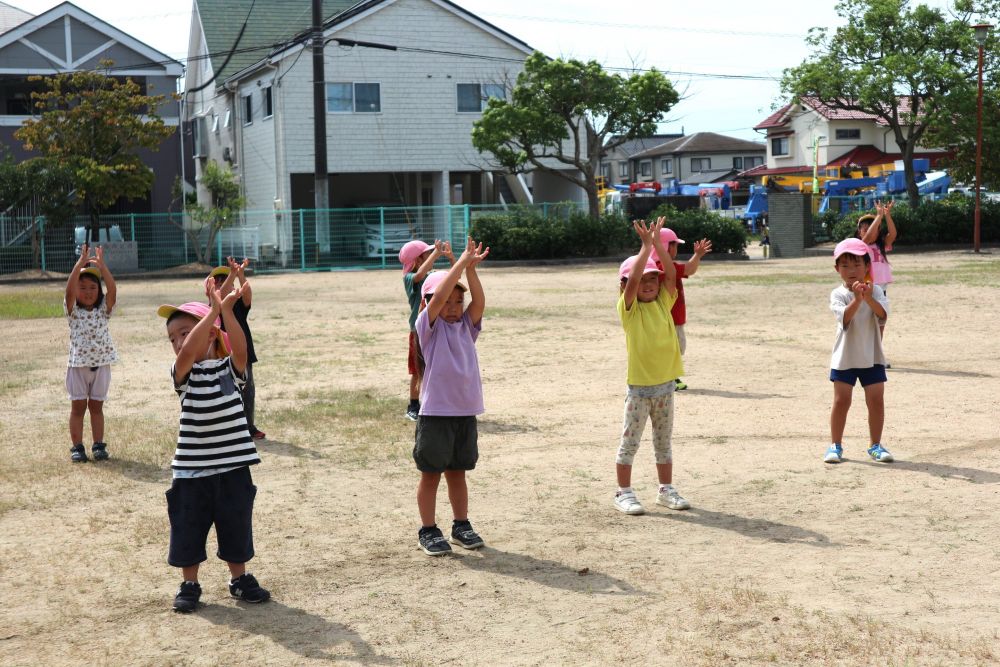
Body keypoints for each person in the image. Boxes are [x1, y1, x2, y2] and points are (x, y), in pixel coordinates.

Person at [157, 287, 270, 613]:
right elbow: (187, 354)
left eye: (185, 333)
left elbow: (241, 351)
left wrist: (227, 311)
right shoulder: (184, 375)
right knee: (188, 529)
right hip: (192, 472)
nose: (179, 341)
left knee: (236, 526)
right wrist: (212, 312)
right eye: (173, 337)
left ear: (211, 333)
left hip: (233, 469)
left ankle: (239, 579)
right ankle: (189, 584)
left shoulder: (229, 372)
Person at [413, 236, 489, 555]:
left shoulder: (465, 328)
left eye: (459, 303)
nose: (454, 308)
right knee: (431, 475)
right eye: (448, 303)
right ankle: (428, 529)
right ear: (431, 304)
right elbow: (440, 294)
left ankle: (461, 524)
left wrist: (470, 269)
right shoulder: (428, 328)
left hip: (463, 414)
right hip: (435, 415)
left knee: (458, 473)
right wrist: (457, 265)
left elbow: (480, 303)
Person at [614, 218, 690, 515]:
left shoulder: (663, 302)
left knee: (664, 442)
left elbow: (671, 275)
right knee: (629, 442)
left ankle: (665, 489)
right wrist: (646, 248)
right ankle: (624, 492)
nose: (648, 284)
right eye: (642, 280)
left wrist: (658, 244)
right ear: (624, 287)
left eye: (651, 279)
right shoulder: (629, 310)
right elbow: (633, 282)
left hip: (665, 388)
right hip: (639, 391)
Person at [824, 238, 893, 465]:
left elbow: (882, 315)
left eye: (856, 265)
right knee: (841, 401)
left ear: (867, 266)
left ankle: (875, 445)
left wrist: (868, 296)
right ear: (837, 269)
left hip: (872, 355)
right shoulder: (838, 294)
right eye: (845, 266)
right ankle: (835, 445)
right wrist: (856, 299)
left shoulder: (877, 291)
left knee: (876, 401)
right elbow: (845, 317)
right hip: (845, 356)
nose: (851, 271)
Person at [64, 244, 117, 463]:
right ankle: (77, 447)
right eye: (82, 287)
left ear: (99, 291)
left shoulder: (104, 310)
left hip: (102, 365)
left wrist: (103, 268)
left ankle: (98, 445)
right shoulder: (73, 312)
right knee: (78, 408)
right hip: (78, 366)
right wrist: (80, 264)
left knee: (96, 407)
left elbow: (113, 290)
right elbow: (68, 291)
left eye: (92, 288)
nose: (87, 292)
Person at [208, 258, 265, 439]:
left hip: (243, 352)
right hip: (221, 354)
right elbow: (221, 294)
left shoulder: (238, 306)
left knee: (248, 390)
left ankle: (249, 427)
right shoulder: (212, 308)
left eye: (224, 279)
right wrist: (232, 274)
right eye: (217, 280)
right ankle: (229, 427)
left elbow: (247, 294)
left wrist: (240, 274)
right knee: (226, 391)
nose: (221, 283)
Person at [399, 239, 454, 421]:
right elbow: (419, 275)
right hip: (418, 331)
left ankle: (440, 403)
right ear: (416, 259)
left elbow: (453, 278)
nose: (431, 256)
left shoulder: (432, 275)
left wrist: (453, 259)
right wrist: (437, 254)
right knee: (417, 370)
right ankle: (413, 406)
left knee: (439, 366)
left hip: (436, 328)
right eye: (427, 254)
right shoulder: (409, 279)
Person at [657, 228, 712, 391]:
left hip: (673, 318)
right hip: (669, 319)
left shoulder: (663, 265)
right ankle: (668, 378)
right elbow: (689, 269)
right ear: (667, 246)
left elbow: (689, 270)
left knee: (675, 349)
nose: (676, 249)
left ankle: (669, 377)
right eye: (675, 246)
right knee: (674, 349)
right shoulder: (663, 266)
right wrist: (698, 255)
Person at [856, 200, 897, 340]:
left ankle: (877, 354)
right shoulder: (861, 245)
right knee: (866, 323)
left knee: (881, 322)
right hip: (868, 289)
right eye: (865, 228)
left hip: (882, 290)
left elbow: (893, 234)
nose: (869, 230)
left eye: (873, 228)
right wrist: (878, 217)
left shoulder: (882, 245)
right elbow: (867, 238)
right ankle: (865, 353)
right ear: (859, 232)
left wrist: (887, 215)